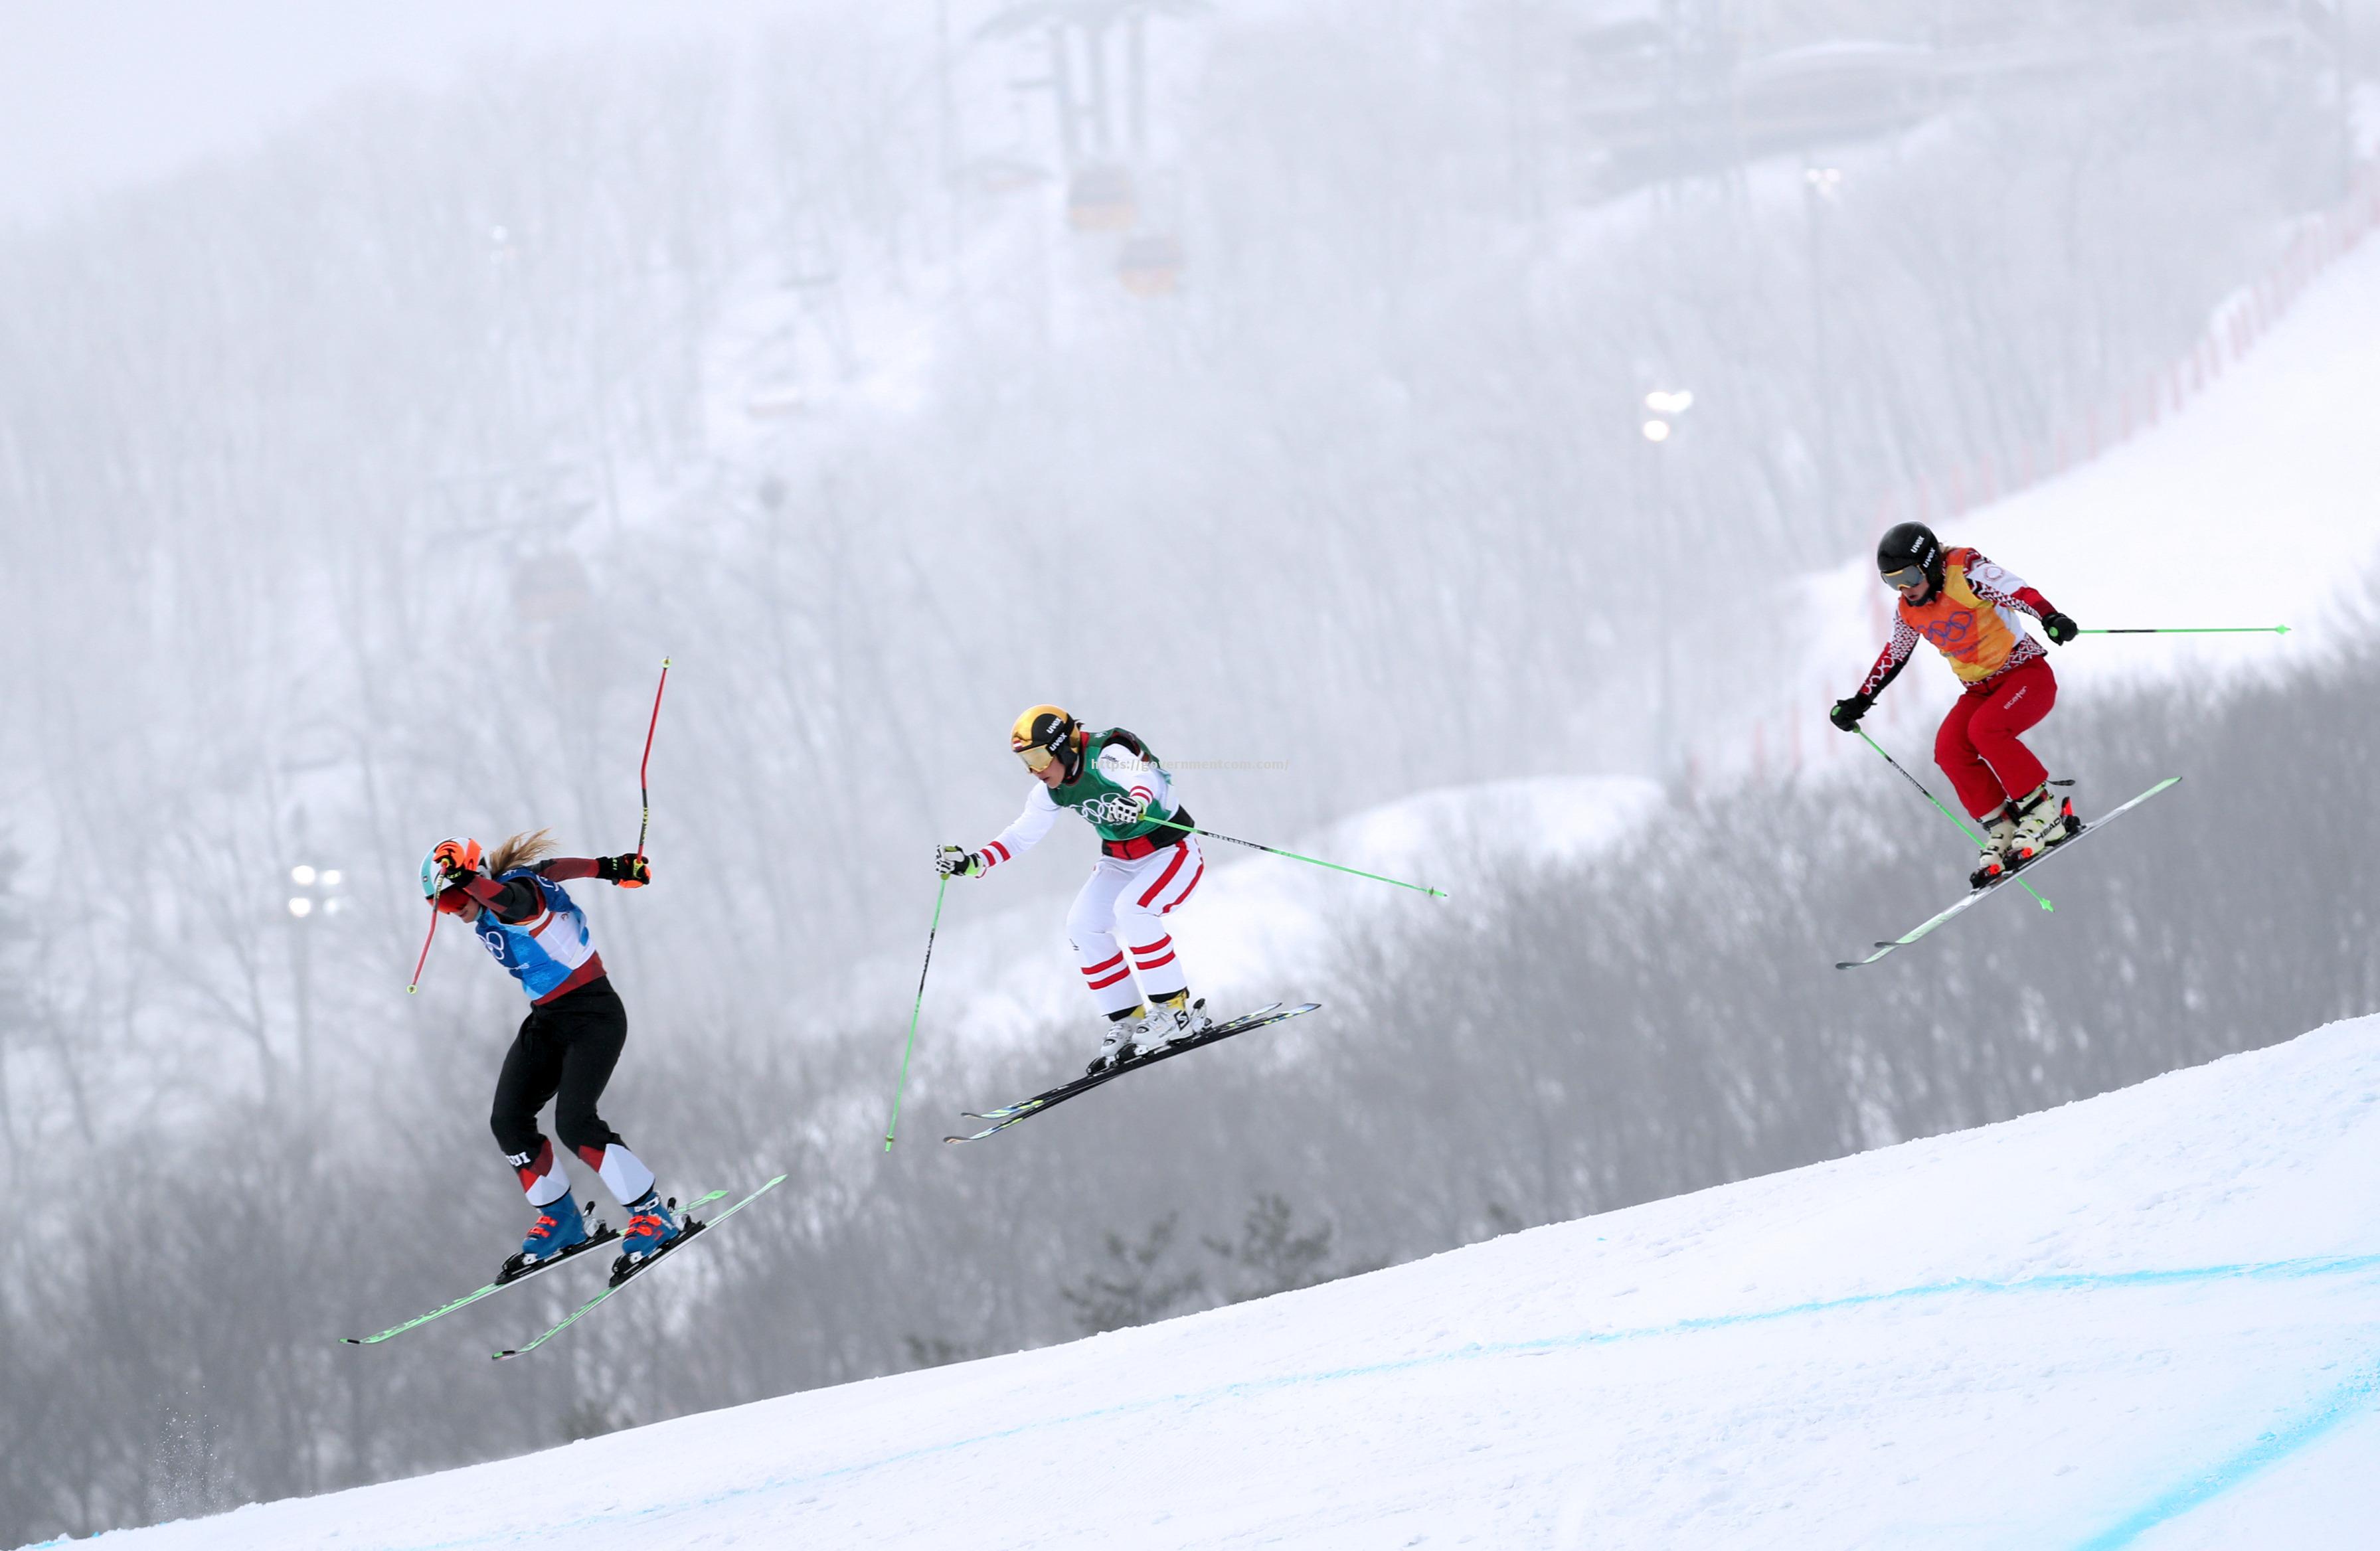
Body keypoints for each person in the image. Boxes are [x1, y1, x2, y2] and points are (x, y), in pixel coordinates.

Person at [418, 830, 678, 1277]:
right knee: (508, 1122)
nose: (455, 910)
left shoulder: (516, 898)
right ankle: (562, 1221)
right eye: (440, 906)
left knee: (575, 1124)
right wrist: (608, 867)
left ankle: (652, 1214)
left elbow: (517, 901)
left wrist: (472, 884)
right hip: (548, 1021)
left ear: (477, 879)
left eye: (455, 898)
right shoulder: (514, 883)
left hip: (593, 1015)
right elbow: (552, 870)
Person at [938, 706, 1213, 1074]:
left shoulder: (1108, 755)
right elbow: (1023, 833)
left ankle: (1174, 1012)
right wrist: (975, 862)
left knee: (1133, 910)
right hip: (1120, 861)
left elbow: (1143, 781)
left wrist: (1136, 804)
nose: (1035, 770)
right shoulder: (1052, 790)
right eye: (1026, 761)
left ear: (1063, 747)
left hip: (1171, 851)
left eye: (1038, 756)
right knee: (1081, 926)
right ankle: (1130, 1019)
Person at [1829, 522, 2084, 888]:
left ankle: (2044, 813)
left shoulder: (1967, 574)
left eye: (1910, 576)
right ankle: (2006, 826)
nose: (1905, 588)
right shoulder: (1909, 610)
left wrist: (2050, 617)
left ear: (1931, 564)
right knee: (1949, 748)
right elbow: (1895, 654)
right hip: (1981, 691)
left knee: (1986, 731)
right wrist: (1861, 699)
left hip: (2026, 677)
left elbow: (2018, 592)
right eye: (1892, 582)